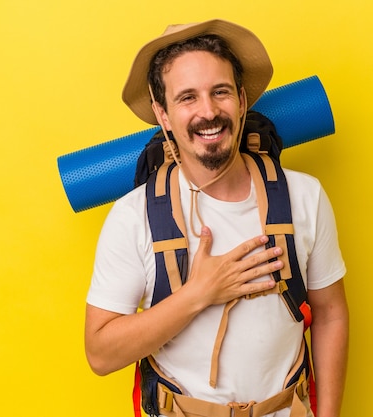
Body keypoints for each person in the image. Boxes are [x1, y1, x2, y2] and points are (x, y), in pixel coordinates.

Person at [84, 19, 349, 417]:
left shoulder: (303, 196)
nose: (208, 112)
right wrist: (199, 293)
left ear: (242, 100)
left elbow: (330, 313)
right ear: (163, 114)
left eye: (220, 92)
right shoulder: (132, 217)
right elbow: (101, 355)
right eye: (187, 97)